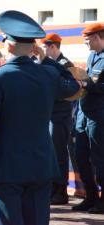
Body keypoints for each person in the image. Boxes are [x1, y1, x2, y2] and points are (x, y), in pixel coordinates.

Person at [0, 10, 80, 225]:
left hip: (7, 169)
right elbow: (72, 83)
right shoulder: (48, 74)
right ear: (33, 46)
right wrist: (47, 60)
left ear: (9, 45)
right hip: (40, 166)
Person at [72, 23, 104, 214]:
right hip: (84, 114)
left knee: (100, 159)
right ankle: (90, 196)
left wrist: (86, 84)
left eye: (87, 39)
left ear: (98, 37)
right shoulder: (92, 56)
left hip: (99, 116)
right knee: (81, 156)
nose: (86, 43)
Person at [40, 33, 75, 205]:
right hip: (50, 114)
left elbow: (71, 89)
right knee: (51, 153)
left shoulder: (64, 64)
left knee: (59, 153)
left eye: (46, 47)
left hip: (60, 115)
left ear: (53, 46)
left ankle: (61, 191)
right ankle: (54, 188)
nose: (44, 50)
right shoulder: (49, 65)